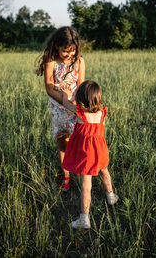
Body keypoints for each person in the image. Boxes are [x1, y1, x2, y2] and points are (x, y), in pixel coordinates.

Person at [62, 80, 118, 229]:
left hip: (87, 155)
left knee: (86, 186)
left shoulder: (81, 114)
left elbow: (65, 103)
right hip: (100, 150)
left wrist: (66, 94)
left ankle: (84, 219)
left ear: (81, 100)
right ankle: (111, 195)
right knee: (104, 172)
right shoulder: (101, 113)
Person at [36, 26, 85, 190]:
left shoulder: (79, 61)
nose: (69, 55)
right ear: (57, 46)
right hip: (58, 108)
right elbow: (49, 88)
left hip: (74, 108)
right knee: (62, 142)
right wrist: (64, 102)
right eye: (65, 51)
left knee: (78, 142)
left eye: (72, 51)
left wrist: (76, 106)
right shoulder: (51, 62)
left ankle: (81, 172)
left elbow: (81, 86)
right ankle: (66, 176)